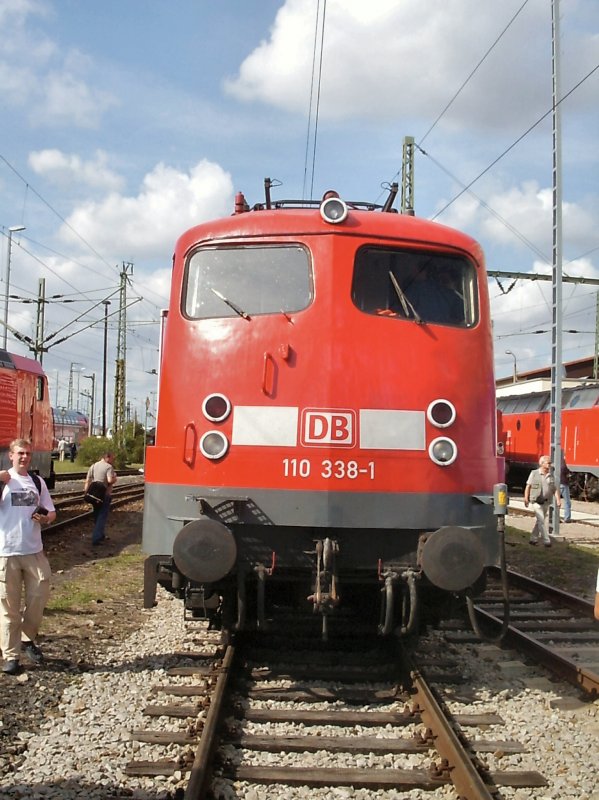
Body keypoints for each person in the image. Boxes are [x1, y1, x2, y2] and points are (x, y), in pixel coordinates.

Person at [0, 439, 56, 675]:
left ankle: (27, 637)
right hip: (6, 552)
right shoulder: (4, 480)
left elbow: (51, 512)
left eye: (28, 453)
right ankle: (11, 656)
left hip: (33, 550)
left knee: (40, 593)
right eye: (20, 453)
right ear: (11, 456)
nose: (24, 457)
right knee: (8, 608)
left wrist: (45, 519)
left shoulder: (37, 481)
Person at [524, 455, 561, 547]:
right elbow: (528, 486)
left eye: (550, 463)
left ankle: (533, 539)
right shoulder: (534, 473)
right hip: (536, 501)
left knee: (539, 521)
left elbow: (554, 489)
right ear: (542, 464)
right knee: (541, 521)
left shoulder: (551, 476)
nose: (550, 465)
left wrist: (558, 499)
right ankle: (546, 540)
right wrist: (526, 498)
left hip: (546, 502)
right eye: (548, 463)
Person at [84, 452, 117, 546]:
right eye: (112, 459)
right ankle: (96, 537)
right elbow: (110, 480)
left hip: (94, 494)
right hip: (104, 494)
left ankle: (100, 534)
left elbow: (88, 480)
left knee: (96, 514)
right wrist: (115, 479)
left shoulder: (93, 466)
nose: (112, 461)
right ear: (107, 457)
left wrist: (86, 493)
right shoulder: (108, 467)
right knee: (102, 515)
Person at [559, 454, 572, 523]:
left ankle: (555, 518)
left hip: (556, 484)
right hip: (564, 484)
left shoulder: (554, 463)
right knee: (567, 502)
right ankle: (567, 518)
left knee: (556, 502)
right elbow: (567, 472)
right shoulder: (563, 464)